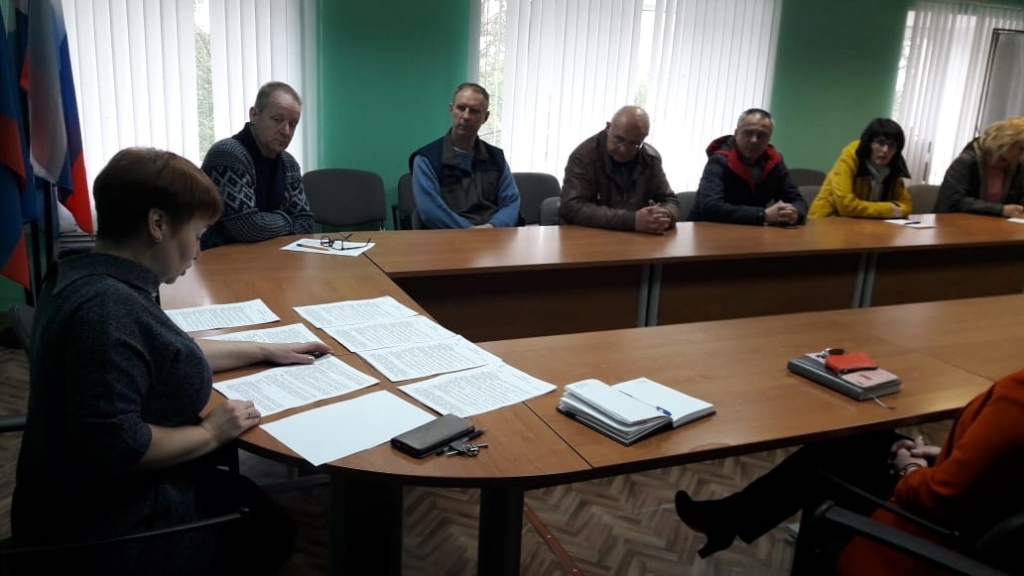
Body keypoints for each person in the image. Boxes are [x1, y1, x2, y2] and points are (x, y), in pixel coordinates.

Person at [12, 148, 331, 575]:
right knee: (272, 529)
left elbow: (165, 352)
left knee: (250, 500)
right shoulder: (106, 312)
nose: (198, 251)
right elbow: (124, 446)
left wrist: (264, 349)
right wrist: (211, 432)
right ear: (157, 224)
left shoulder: (84, 275)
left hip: (85, 497)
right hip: (114, 531)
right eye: (197, 234)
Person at [674, 367, 1024, 575]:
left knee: (833, 457)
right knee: (863, 441)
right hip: (993, 525)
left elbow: (936, 497)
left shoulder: (1017, 397)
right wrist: (942, 456)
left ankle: (730, 519)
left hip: (941, 536)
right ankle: (729, 518)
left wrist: (912, 468)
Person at [201, 81, 313, 249]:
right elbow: (244, 227)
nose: (286, 131)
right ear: (254, 115)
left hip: (272, 255)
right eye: (277, 120)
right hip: (222, 257)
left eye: (292, 124)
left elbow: (306, 221)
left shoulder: (289, 163)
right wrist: (289, 221)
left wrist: (263, 223)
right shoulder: (228, 154)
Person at [408, 82, 521, 229]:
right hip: (447, 238)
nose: (466, 116)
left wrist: (493, 226)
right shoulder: (426, 159)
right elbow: (431, 211)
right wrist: (471, 232)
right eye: (461, 108)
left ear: (485, 117)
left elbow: (511, 202)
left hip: (493, 235)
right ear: (451, 109)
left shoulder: (496, 157)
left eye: (474, 111)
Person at [560, 106, 680, 234]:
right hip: (588, 236)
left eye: (633, 144)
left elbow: (670, 201)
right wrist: (632, 220)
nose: (623, 149)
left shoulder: (650, 159)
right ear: (608, 127)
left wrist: (662, 216)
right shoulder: (584, 157)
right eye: (619, 139)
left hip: (636, 238)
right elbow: (572, 207)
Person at [689, 108, 807, 226]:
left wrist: (795, 213)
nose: (754, 140)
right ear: (736, 133)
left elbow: (796, 200)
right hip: (706, 229)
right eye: (748, 133)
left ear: (769, 138)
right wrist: (763, 215)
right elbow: (711, 206)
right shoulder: (719, 160)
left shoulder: (774, 161)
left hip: (751, 229)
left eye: (762, 135)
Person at [808, 118, 913, 219]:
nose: (885, 150)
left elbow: (906, 205)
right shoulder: (850, 158)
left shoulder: (894, 165)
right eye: (880, 143)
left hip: (864, 223)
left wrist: (894, 210)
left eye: (892, 145)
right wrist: (888, 210)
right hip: (826, 221)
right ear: (868, 143)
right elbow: (846, 206)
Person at [935, 116, 1024, 217]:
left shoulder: (1016, 167)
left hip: (994, 224)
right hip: (955, 223)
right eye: (1021, 148)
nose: (1022, 155)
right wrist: (1000, 210)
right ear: (1006, 141)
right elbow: (952, 202)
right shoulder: (966, 162)